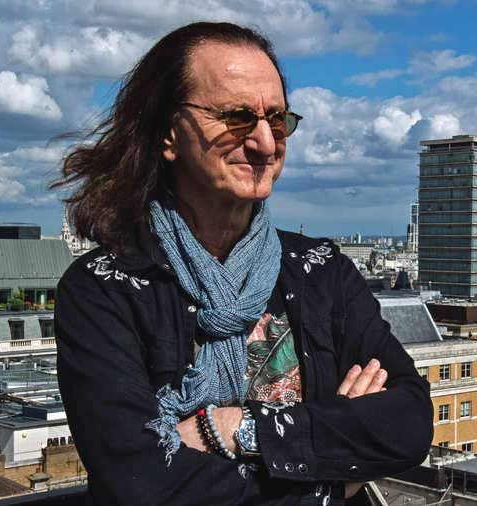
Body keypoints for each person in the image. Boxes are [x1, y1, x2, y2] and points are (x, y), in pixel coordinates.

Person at [51, 22, 433, 506]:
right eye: (235, 118)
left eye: (276, 120)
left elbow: (409, 422)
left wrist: (231, 429)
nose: (265, 144)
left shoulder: (321, 270)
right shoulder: (104, 290)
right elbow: (141, 484)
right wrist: (332, 476)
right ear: (169, 134)